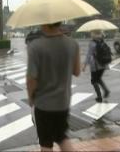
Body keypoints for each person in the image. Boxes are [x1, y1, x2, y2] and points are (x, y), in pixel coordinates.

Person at [26, 22, 80, 152]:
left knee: (46, 143)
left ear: (44, 24)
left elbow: (31, 79)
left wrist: (30, 97)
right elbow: (77, 71)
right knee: (62, 137)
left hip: (43, 104)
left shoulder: (36, 46)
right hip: (63, 102)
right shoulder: (72, 44)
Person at [82, 30, 110, 103]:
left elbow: (89, 54)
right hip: (104, 64)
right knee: (98, 78)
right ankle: (106, 90)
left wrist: (84, 65)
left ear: (93, 35)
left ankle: (99, 96)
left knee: (94, 80)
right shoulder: (102, 40)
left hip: (96, 65)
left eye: (91, 33)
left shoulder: (92, 43)